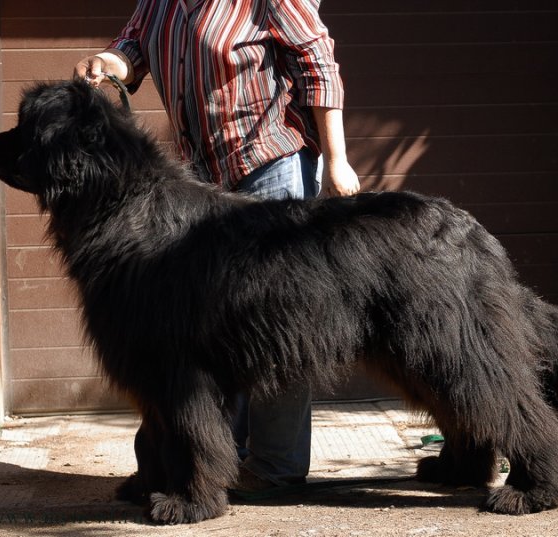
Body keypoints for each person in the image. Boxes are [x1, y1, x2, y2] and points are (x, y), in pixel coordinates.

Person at [74, 0, 359, 492]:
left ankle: (276, 468)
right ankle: (216, 461)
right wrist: (108, 61)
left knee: (277, 323)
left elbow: (319, 63)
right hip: (200, 181)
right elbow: (132, 50)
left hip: (270, 166)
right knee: (206, 329)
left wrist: (336, 158)